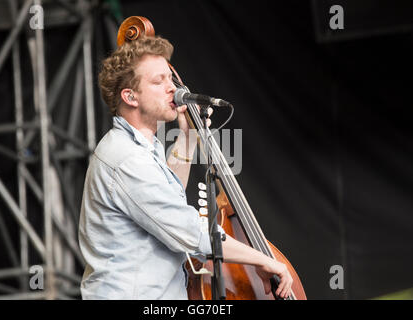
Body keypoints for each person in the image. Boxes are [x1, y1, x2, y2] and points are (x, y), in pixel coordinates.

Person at [78, 35, 293, 299]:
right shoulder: (126, 158)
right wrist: (262, 259)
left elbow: (168, 198)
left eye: (170, 78)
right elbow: (189, 232)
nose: (173, 88)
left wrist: (188, 136)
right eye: (159, 81)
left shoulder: (143, 145)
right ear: (130, 96)